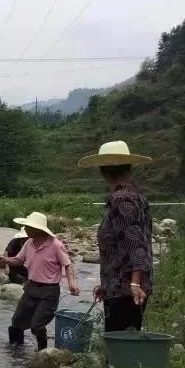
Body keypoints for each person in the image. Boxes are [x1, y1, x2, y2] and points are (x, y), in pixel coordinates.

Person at [78, 140, 153, 332]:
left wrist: (134, 282)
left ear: (104, 170)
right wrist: (107, 285)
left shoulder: (120, 199)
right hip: (120, 286)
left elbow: (135, 243)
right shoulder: (136, 195)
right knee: (125, 346)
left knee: (120, 350)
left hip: (126, 290)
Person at [0, 212, 80, 350]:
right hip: (31, 288)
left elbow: (68, 264)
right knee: (17, 321)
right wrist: (5, 260)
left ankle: (43, 351)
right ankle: (15, 350)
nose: (25, 229)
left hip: (49, 291)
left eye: (28, 227)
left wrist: (72, 283)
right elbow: (19, 260)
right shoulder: (29, 243)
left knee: (37, 325)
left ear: (38, 229)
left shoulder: (56, 245)